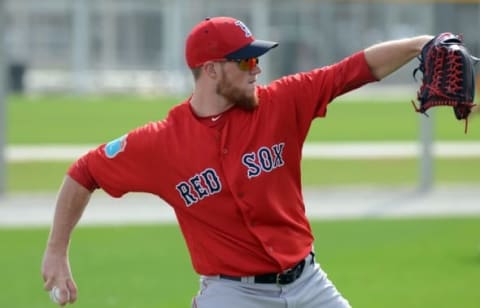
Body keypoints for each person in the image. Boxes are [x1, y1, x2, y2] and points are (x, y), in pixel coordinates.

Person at [41, 16, 433, 307]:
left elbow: (354, 70)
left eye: (256, 60)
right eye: (245, 62)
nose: (257, 69)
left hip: (308, 283)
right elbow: (84, 172)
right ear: (211, 70)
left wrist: (421, 44)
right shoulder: (160, 143)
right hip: (231, 292)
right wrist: (57, 250)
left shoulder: (281, 103)